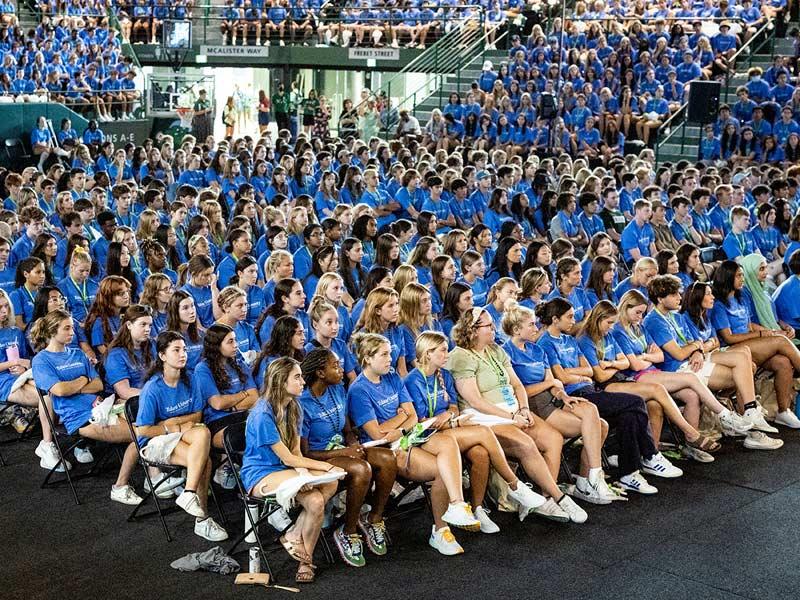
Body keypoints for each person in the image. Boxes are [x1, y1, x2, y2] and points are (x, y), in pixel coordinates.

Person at [348, 332, 483, 556]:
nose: (390, 359)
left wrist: (400, 423)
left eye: (390, 354)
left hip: (407, 437)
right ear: (367, 359)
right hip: (384, 450)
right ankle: (442, 527)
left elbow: (411, 415)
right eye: (384, 355)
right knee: (444, 469)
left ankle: (449, 518)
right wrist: (402, 419)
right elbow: (377, 432)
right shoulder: (359, 390)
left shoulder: (391, 376)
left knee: (447, 454)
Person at [447, 308, 588, 521]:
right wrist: (511, 418)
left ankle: (544, 498)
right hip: (483, 416)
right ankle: (560, 498)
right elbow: (476, 401)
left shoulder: (495, 349)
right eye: (488, 326)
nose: (494, 329)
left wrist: (523, 409)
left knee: (553, 439)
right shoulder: (461, 356)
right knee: (526, 444)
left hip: (513, 409)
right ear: (473, 330)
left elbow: (517, 384)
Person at [535, 298, 672, 495]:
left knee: (630, 414)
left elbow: (590, 371)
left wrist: (576, 372)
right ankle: (650, 454)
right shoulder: (546, 343)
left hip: (591, 390)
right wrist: (579, 373)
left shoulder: (570, 339)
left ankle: (629, 474)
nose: (575, 320)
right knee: (636, 402)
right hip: (574, 395)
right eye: (570, 317)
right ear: (555, 319)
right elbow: (561, 376)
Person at [645, 276, 780, 451]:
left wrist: (697, 349)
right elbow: (678, 353)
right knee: (743, 376)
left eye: (679, 293)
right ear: (660, 298)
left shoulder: (675, 316)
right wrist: (696, 347)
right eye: (674, 294)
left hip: (694, 360)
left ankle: (750, 412)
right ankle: (750, 428)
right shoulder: (654, 320)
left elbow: (698, 343)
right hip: (679, 369)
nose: (679, 297)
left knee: (743, 358)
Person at [241, 357, 344, 583]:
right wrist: (323, 466)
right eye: (297, 377)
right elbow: (287, 458)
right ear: (280, 382)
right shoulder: (262, 414)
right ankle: (306, 562)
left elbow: (296, 453)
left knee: (331, 483)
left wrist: (304, 474)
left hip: (284, 469)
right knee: (316, 500)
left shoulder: (294, 406)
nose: (303, 382)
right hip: (260, 474)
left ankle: (295, 534)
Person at [501, 306, 617, 504]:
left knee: (594, 414)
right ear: (516, 329)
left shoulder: (537, 349)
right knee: (597, 426)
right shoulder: (506, 352)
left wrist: (562, 394)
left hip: (552, 397)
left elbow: (554, 383)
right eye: (531, 324)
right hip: (532, 404)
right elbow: (518, 391)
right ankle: (552, 495)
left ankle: (589, 478)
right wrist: (552, 384)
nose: (536, 327)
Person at [31, 310, 141, 505]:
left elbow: (98, 384)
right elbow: (60, 390)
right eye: (67, 328)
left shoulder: (78, 353)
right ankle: (120, 487)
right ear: (52, 330)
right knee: (140, 434)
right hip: (78, 417)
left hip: (102, 407)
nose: (72, 332)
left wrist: (75, 386)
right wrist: (83, 380)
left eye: (72, 327)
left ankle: (155, 476)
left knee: (147, 422)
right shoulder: (41, 360)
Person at [299, 348, 397, 566]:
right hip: (321, 457)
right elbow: (304, 453)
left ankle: (374, 519)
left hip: (344, 449)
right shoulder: (303, 403)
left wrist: (352, 442)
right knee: (362, 469)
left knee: (388, 458)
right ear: (320, 373)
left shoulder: (337, 389)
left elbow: (347, 429)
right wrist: (345, 452)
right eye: (335, 366)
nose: (341, 370)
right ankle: (348, 530)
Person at [135, 330, 228, 541]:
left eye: (184, 349)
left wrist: (170, 422)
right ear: (162, 356)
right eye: (176, 350)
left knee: (203, 431)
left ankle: (188, 493)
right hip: (155, 442)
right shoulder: (153, 388)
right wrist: (174, 428)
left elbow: (197, 414)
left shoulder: (191, 378)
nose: (183, 354)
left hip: (184, 433)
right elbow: (143, 430)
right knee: (203, 463)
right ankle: (202, 518)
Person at [711, 261, 800, 428]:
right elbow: (728, 338)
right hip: (731, 350)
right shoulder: (719, 305)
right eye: (738, 275)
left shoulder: (741, 297)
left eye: (743, 275)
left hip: (751, 345)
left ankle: (783, 411)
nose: (742, 279)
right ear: (727, 277)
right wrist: (762, 335)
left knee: (783, 363)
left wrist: (770, 332)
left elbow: (749, 324)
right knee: (781, 341)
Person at [193, 323, 258, 488]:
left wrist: (233, 404)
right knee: (253, 437)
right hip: (218, 422)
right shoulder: (203, 369)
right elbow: (217, 403)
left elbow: (255, 397)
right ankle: (254, 489)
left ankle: (254, 485)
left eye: (235, 340)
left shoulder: (239, 363)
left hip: (242, 415)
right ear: (216, 345)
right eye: (230, 342)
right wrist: (243, 395)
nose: (236, 345)